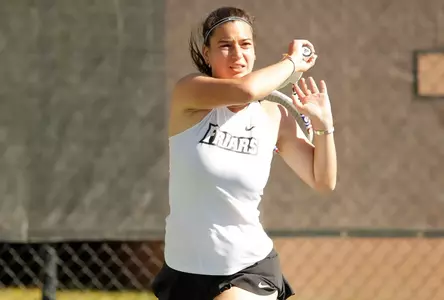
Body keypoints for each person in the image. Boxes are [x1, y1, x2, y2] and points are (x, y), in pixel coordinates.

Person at [152, 6, 337, 300]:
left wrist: (324, 127)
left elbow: (322, 180)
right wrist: (293, 63)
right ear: (207, 53)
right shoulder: (190, 94)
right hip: (183, 271)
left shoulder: (274, 115)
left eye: (245, 44)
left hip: (248, 268)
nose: (237, 55)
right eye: (225, 46)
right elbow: (246, 90)